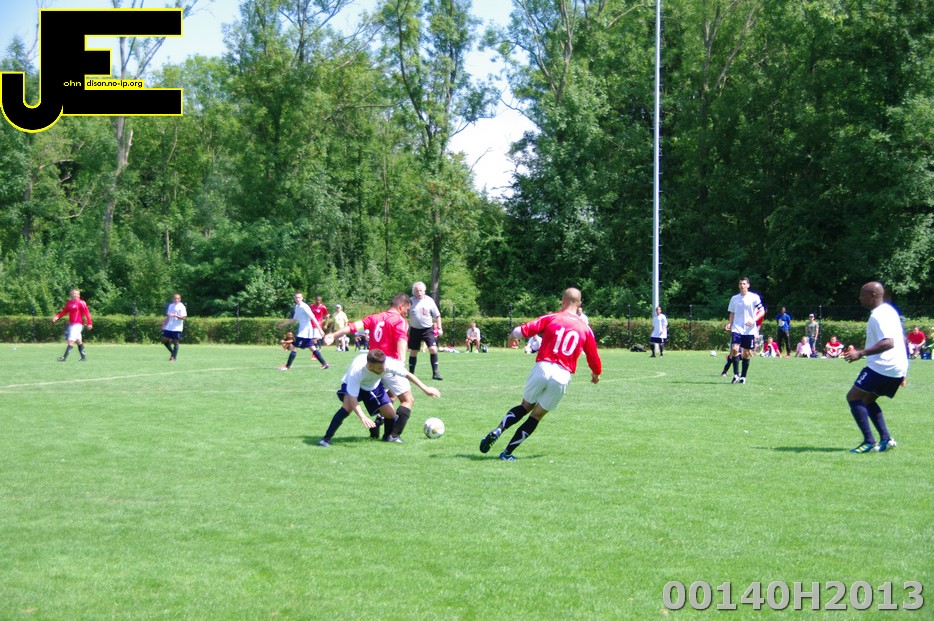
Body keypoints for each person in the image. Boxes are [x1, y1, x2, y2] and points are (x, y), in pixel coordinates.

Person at [478, 288, 601, 461]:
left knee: (524, 406)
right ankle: (507, 453)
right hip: (562, 375)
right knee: (536, 415)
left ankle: (499, 429)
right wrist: (596, 374)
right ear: (580, 303)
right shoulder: (585, 329)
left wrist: (512, 336)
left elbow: (522, 330)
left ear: (562, 300)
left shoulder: (552, 318)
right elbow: (593, 356)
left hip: (543, 367)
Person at [328, 293, 419, 442]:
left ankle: (378, 422)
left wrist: (334, 335)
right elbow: (402, 339)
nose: (406, 313)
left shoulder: (374, 317)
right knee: (408, 399)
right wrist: (402, 361)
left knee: (391, 396)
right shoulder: (400, 321)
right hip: (387, 365)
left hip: (371, 365)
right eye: (406, 310)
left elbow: (353, 327)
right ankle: (393, 435)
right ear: (401, 306)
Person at [317, 349, 441, 447]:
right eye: (380, 368)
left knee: (390, 413)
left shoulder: (387, 364)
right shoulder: (357, 371)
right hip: (354, 385)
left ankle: (388, 437)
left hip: (373, 387)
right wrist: (362, 417)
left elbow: (408, 375)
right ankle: (326, 439)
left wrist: (426, 389)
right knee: (347, 407)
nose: (384, 369)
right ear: (370, 367)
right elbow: (353, 398)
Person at [843, 281, 908, 453]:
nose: (859, 298)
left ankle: (869, 442)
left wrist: (860, 353)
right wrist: (903, 368)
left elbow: (888, 342)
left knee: (853, 397)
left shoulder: (878, 316)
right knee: (867, 400)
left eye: (862, 294)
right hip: (896, 367)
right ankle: (886, 439)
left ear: (873, 296)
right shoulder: (890, 311)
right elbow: (902, 338)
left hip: (882, 366)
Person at [726, 277, 765, 383]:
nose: (742, 285)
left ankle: (743, 376)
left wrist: (753, 320)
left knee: (746, 353)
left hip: (749, 329)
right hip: (737, 328)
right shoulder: (734, 298)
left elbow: (762, 311)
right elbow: (732, 313)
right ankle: (736, 374)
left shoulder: (754, 297)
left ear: (748, 285)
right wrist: (730, 323)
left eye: (744, 284)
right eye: (740, 284)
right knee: (734, 349)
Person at [277, 291, 329, 370]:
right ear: (294, 298)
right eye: (296, 297)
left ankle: (287, 366)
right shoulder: (297, 307)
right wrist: (283, 324)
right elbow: (294, 319)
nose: (298, 299)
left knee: (294, 347)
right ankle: (324, 364)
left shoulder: (304, 307)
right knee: (312, 348)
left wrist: (320, 330)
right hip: (305, 332)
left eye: (299, 297)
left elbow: (313, 317)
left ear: (302, 298)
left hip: (304, 332)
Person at [408, 281, 444, 380]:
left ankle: (435, 373)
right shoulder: (410, 301)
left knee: (433, 349)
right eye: (417, 291)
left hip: (427, 330)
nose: (419, 292)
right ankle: (411, 374)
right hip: (414, 330)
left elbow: (437, 315)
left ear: (424, 290)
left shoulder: (429, 300)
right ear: (413, 291)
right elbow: (403, 314)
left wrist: (439, 328)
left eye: (421, 290)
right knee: (413, 352)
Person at [51, 288, 93, 362]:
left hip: (78, 324)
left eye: (77, 294)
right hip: (71, 324)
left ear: (79, 295)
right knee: (78, 341)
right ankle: (83, 358)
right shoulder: (69, 302)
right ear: (71, 294)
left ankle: (64, 358)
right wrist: (57, 317)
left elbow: (87, 313)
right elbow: (64, 311)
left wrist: (89, 323)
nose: (75, 295)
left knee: (70, 340)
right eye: (74, 293)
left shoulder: (81, 302)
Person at [161, 292, 187, 361]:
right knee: (164, 340)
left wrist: (175, 315)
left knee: (175, 342)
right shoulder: (171, 306)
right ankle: (173, 353)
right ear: (173, 299)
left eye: (178, 298)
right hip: (169, 327)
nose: (176, 300)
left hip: (177, 328)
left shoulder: (182, 306)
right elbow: (168, 316)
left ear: (180, 299)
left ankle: (174, 358)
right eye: (175, 298)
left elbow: (184, 317)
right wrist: (164, 324)